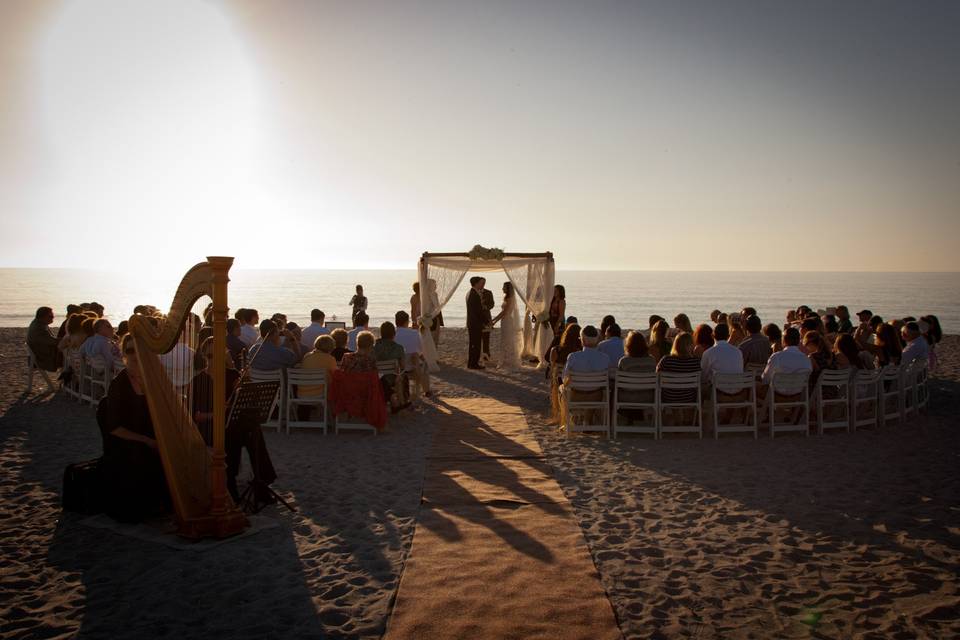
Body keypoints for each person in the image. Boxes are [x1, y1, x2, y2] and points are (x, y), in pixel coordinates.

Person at [99, 335, 169, 523]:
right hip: (125, 441)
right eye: (129, 350)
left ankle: (163, 501)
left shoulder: (151, 378)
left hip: (147, 436)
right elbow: (114, 428)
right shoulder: (119, 385)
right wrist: (147, 441)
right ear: (124, 354)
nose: (134, 354)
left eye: (137, 349)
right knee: (144, 452)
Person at [656, 333, 701, 424]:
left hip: (669, 397)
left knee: (672, 389)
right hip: (689, 397)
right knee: (691, 389)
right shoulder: (696, 361)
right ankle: (689, 419)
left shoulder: (666, 360)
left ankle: (678, 420)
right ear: (691, 345)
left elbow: (657, 377)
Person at [394, 311, 431, 397]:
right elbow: (420, 350)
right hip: (413, 366)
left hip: (398, 367)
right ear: (407, 322)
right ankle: (426, 390)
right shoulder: (414, 333)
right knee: (423, 362)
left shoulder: (393, 335)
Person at [373, 322, 408, 411]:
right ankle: (403, 401)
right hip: (393, 378)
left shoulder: (374, 348)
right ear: (394, 334)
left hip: (378, 378)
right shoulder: (399, 348)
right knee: (404, 376)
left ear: (381, 333)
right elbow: (403, 366)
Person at [490, 281, 522, 370]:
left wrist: (494, 320)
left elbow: (504, 312)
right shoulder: (506, 297)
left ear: (508, 288)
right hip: (505, 321)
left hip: (507, 321)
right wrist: (494, 320)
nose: (502, 288)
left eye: (504, 287)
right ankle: (506, 359)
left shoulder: (509, 299)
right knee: (505, 339)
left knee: (507, 340)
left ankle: (508, 360)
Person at [27, 306, 61, 371]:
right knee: (67, 356)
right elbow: (51, 341)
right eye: (50, 316)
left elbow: (50, 340)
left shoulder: (40, 324)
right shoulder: (38, 328)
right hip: (40, 358)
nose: (53, 318)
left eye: (53, 316)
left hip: (40, 353)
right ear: (43, 316)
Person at [466, 276, 486, 369]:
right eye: (481, 283)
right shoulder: (473, 294)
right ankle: (473, 364)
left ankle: (472, 363)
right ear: (476, 283)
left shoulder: (472, 293)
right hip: (475, 324)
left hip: (473, 323)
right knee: (475, 344)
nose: (483, 284)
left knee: (474, 344)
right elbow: (477, 311)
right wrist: (485, 321)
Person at [478, 278, 495, 363]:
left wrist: (486, 307)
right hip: (477, 318)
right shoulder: (474, 292)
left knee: (486, 337)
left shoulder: (489, 292)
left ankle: (486, 354)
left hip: (486, 317)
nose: (483, 284)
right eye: (481, 282)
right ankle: (478, 354)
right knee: (477, 337)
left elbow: (492, 304)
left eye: (484, 283)